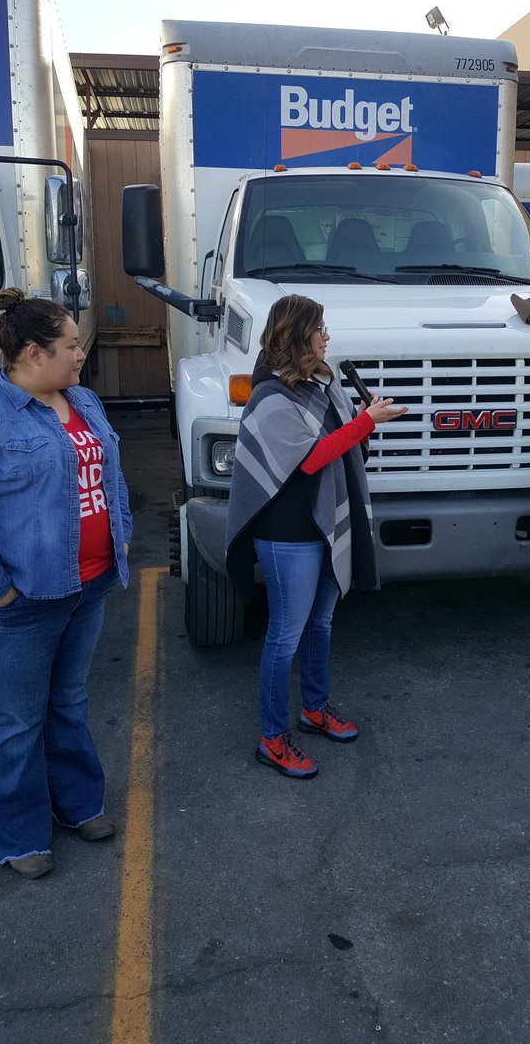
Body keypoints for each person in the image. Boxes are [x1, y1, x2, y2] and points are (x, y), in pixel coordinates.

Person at [0, 289, 132, 878]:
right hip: (25, 599)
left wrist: (118, 534)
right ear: (29, 354)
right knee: (16, 720)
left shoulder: (85, 400)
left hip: (88, 587)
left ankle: (77, 805)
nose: (79, 356)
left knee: (68, 702)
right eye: (69, 347)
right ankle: (18, 836)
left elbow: (111, 474)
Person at [226, 294, 407, 779]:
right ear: (298, 334)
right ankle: (271, 737)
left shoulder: (323, 385)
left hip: (325, 525)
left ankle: (314, 709)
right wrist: (367, 422)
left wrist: (363, 421)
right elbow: (308, 460)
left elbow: (344, 445)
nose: (327, 336)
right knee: (285, 635)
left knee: (321, 625)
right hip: (288, 533)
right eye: (320, 328)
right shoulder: (270, 397)